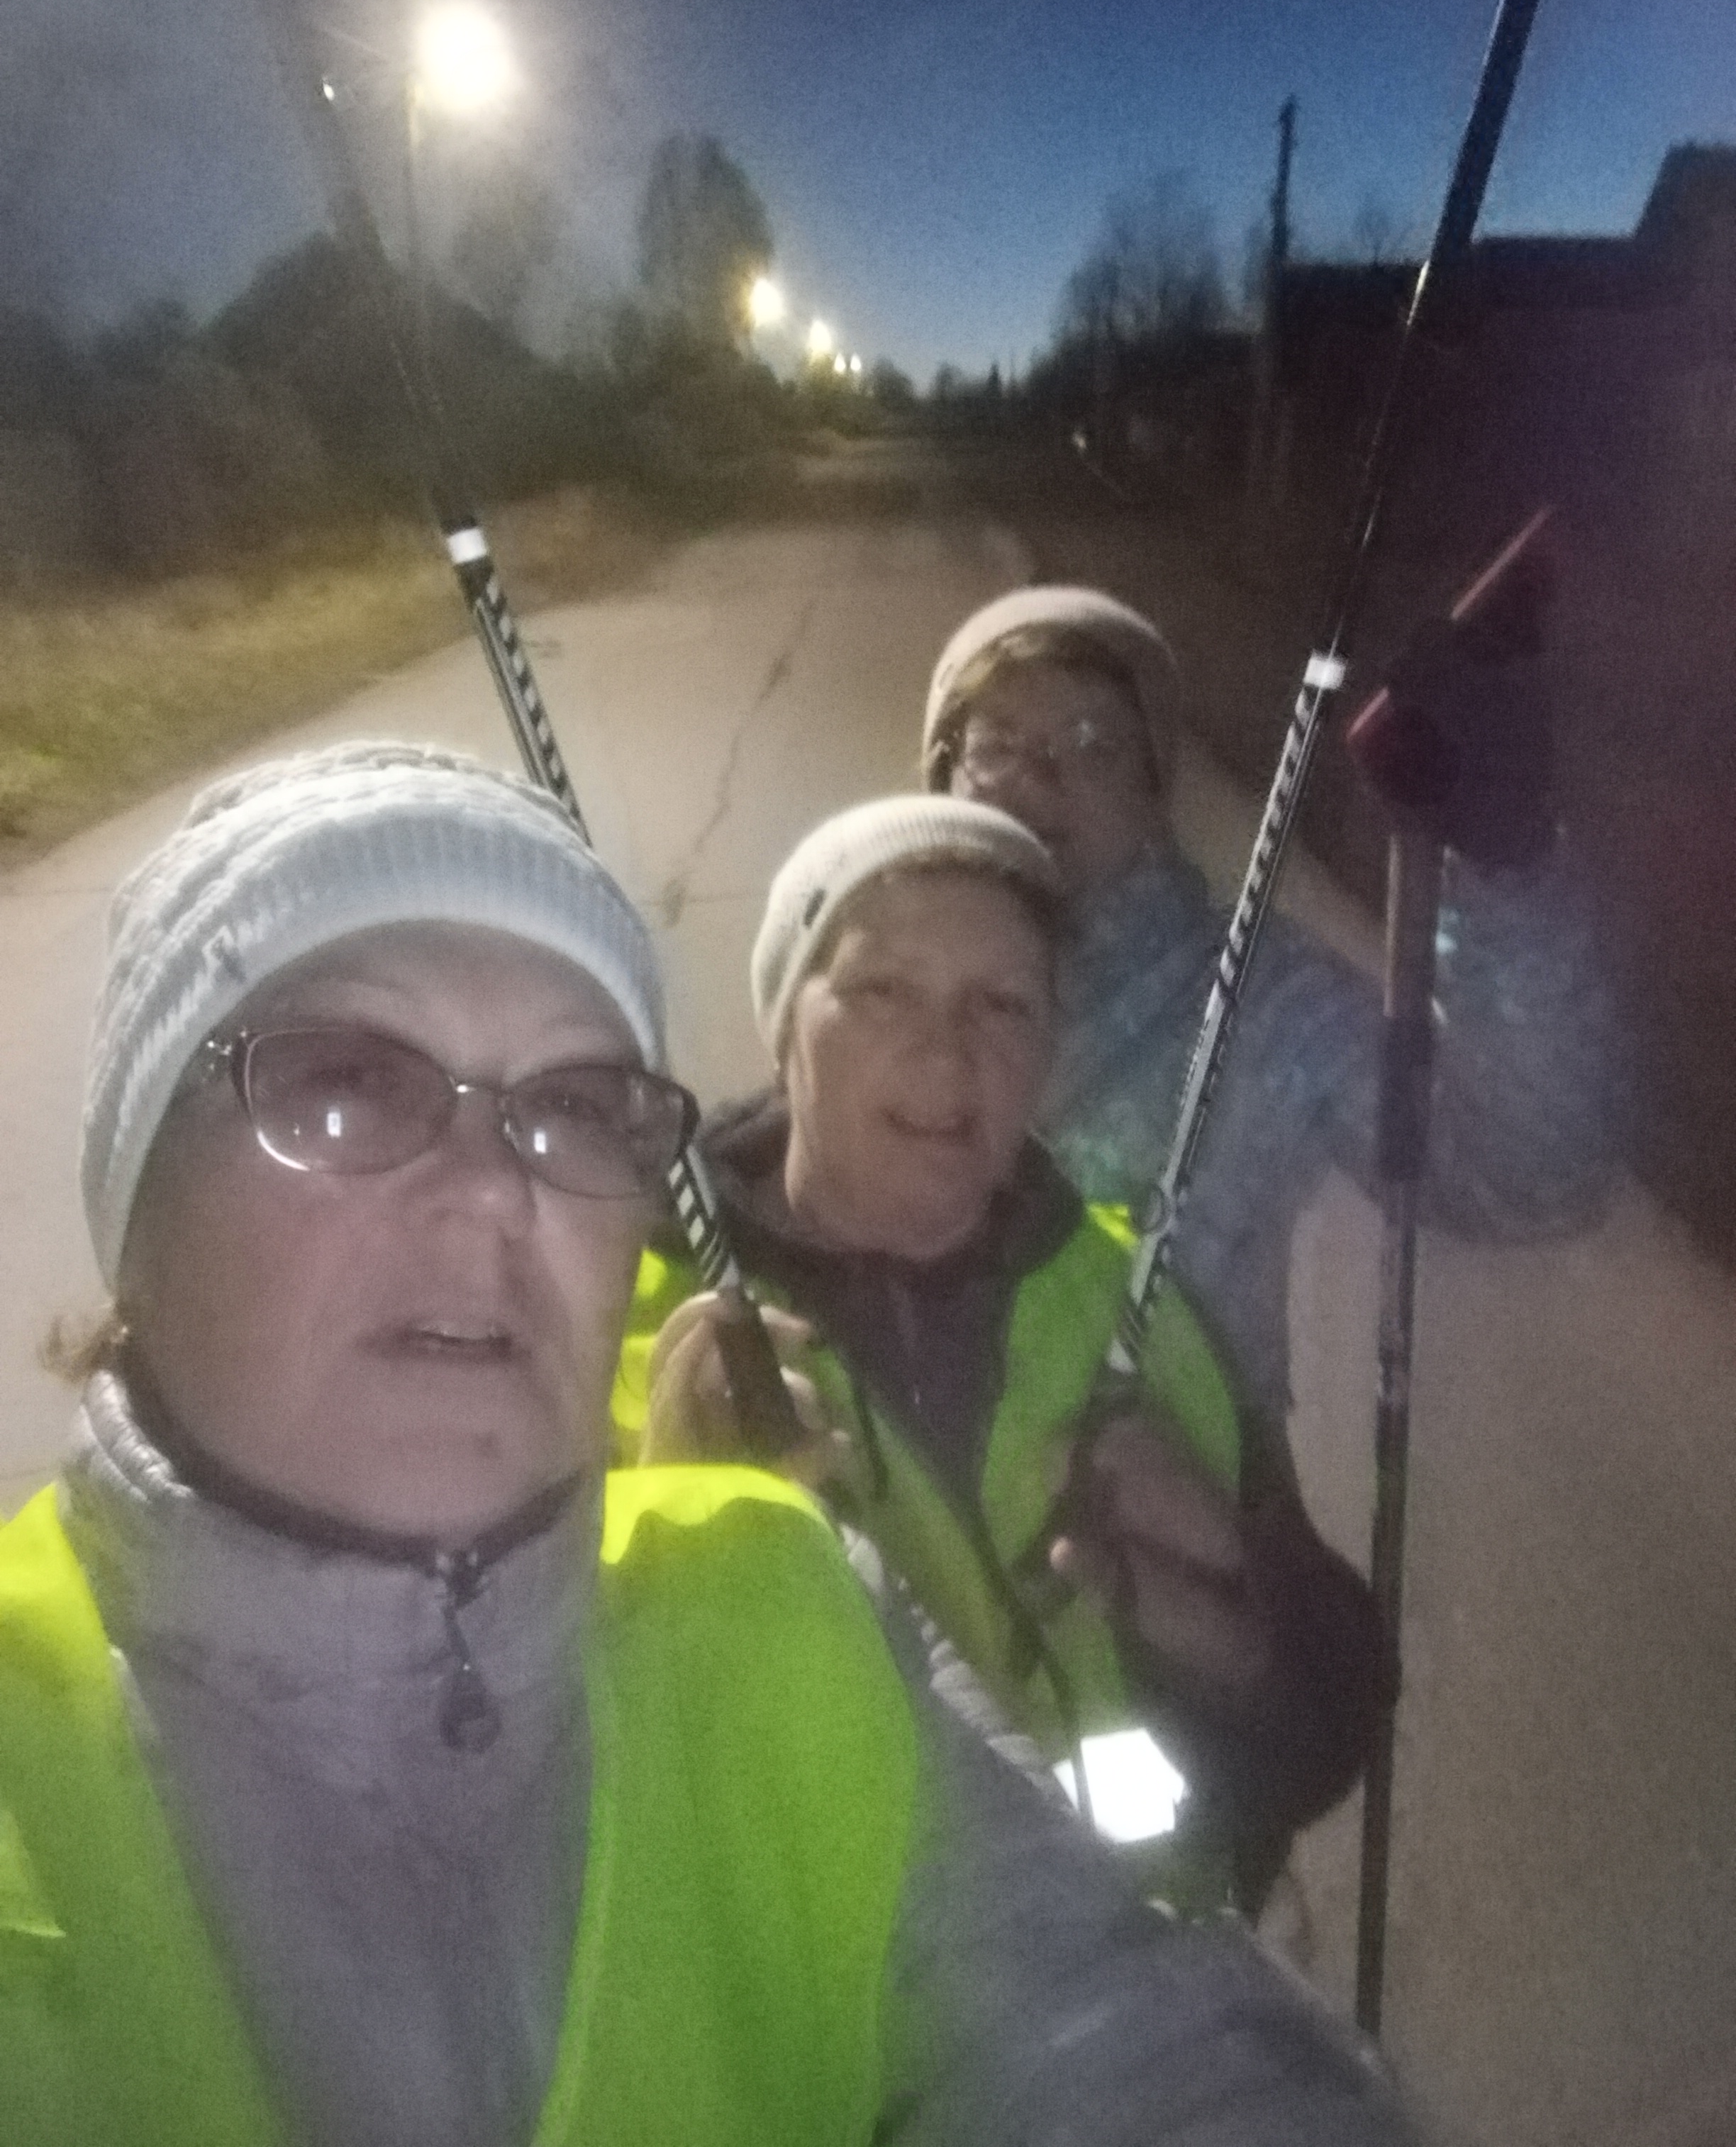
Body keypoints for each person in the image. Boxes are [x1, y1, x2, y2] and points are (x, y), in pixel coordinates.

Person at [0, 742, 1414, 2147]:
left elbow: (1132, 2003)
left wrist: (1227, 1616)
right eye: (348, 1083)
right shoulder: (642, 1370)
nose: (490, 1189)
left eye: (569, 1105)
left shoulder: (1119, 1335)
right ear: (785, 1023)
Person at [618, 795, 1381, 1918]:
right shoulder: (614, 1340)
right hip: (833, 2010)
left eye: (1004, 1004)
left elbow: (1321, 1741)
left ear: (1045, 1057)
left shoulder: (1138, 1307)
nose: (947, 1048)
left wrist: (1238, 1621)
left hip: (1144, 1960)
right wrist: (668, 1549)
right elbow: (520, 1835)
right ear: (785, 1028)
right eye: (883, 990)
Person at [921, 584, 1617, 1426]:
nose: (1039, 776)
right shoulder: (858, 988)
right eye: (996, 744)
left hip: (1183, 1495)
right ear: (942, 782)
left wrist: (1511, 867)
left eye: (1092, 743)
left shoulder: (1262, 997)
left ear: (1153, 797)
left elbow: (1527, 1171)